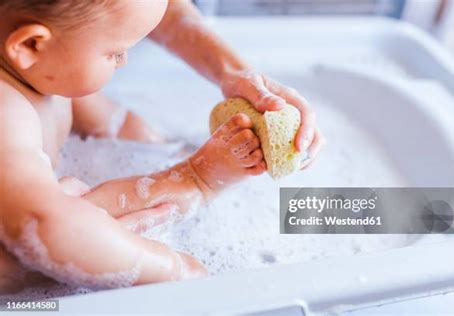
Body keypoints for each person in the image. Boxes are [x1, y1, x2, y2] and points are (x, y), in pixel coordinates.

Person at [0, 0, 323, 293]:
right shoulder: (7, 113)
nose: (125, 60)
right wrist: (170, 267)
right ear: (30, 45)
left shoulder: (45, 71)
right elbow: (48, 227)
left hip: (39, 218)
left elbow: (113, 120)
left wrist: (161, 146)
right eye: (114, 53)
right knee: (68, 219)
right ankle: (196, 180)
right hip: (20, 264)